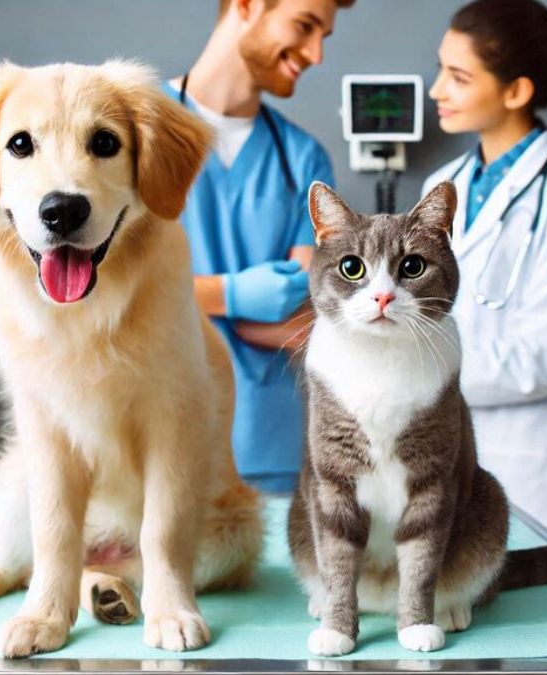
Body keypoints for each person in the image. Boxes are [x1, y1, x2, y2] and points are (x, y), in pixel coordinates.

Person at [421, 0, 547, 541]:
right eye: (441, 69)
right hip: (443, 453)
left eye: (458, 77)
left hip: (532, 465)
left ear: (516, 92)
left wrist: (419, 366)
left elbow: (545, 358)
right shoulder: (443, 186)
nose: (437, 90)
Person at [167, 0, 353, 493]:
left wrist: (183, 296)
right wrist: (230, 295)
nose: (316, 53)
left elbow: (305, 319)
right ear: (247, 6)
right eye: (305, 25)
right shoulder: (137, 129)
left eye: (324, 36)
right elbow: (96, 294)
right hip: (158, 441)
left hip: (271, 449)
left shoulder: (303, 159)